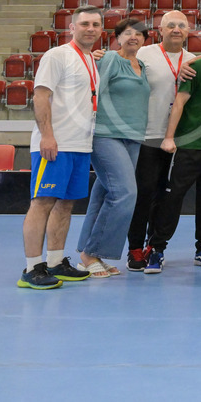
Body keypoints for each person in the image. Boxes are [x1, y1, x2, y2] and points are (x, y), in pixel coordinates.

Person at [19, 5, 104, 289]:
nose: (90, 29)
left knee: (66, 205)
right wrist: (47, 135)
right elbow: (41, 95)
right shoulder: (57, 55)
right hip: (55, 143)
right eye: (84, 24)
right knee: (41, 203)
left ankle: (55, 261)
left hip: (80, 145)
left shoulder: (91, 59)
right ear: (72, 27)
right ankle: (32, 268)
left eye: (95, 24)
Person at [146, 21, 201, 273]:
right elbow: (179, 103)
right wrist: (169, 137)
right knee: (172, 199)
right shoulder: (195, 67)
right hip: (189, 146)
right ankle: (157, 249)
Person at [76, 18, 150, 277]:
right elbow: (91, 90)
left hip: (133, 138)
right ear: (117, 37)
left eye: (139, 35)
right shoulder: (109, 60)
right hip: (106, 135)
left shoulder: (141, 65)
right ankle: (91, 252)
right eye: (127, 33)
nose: (134, 37)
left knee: (103, 195)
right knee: (125, 193)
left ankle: (88, 252)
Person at [127, 10, 195, 271]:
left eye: (182, 25)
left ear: (189, 31)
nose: (176, 29)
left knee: (166, 196)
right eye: (171, 25)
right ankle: (134, 248)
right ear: (160, 30)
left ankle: (154, 246)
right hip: (148, 135)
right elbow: (120, 64)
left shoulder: (194, 60)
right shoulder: (145, 54)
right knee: (143, 194)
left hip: (180, 139)